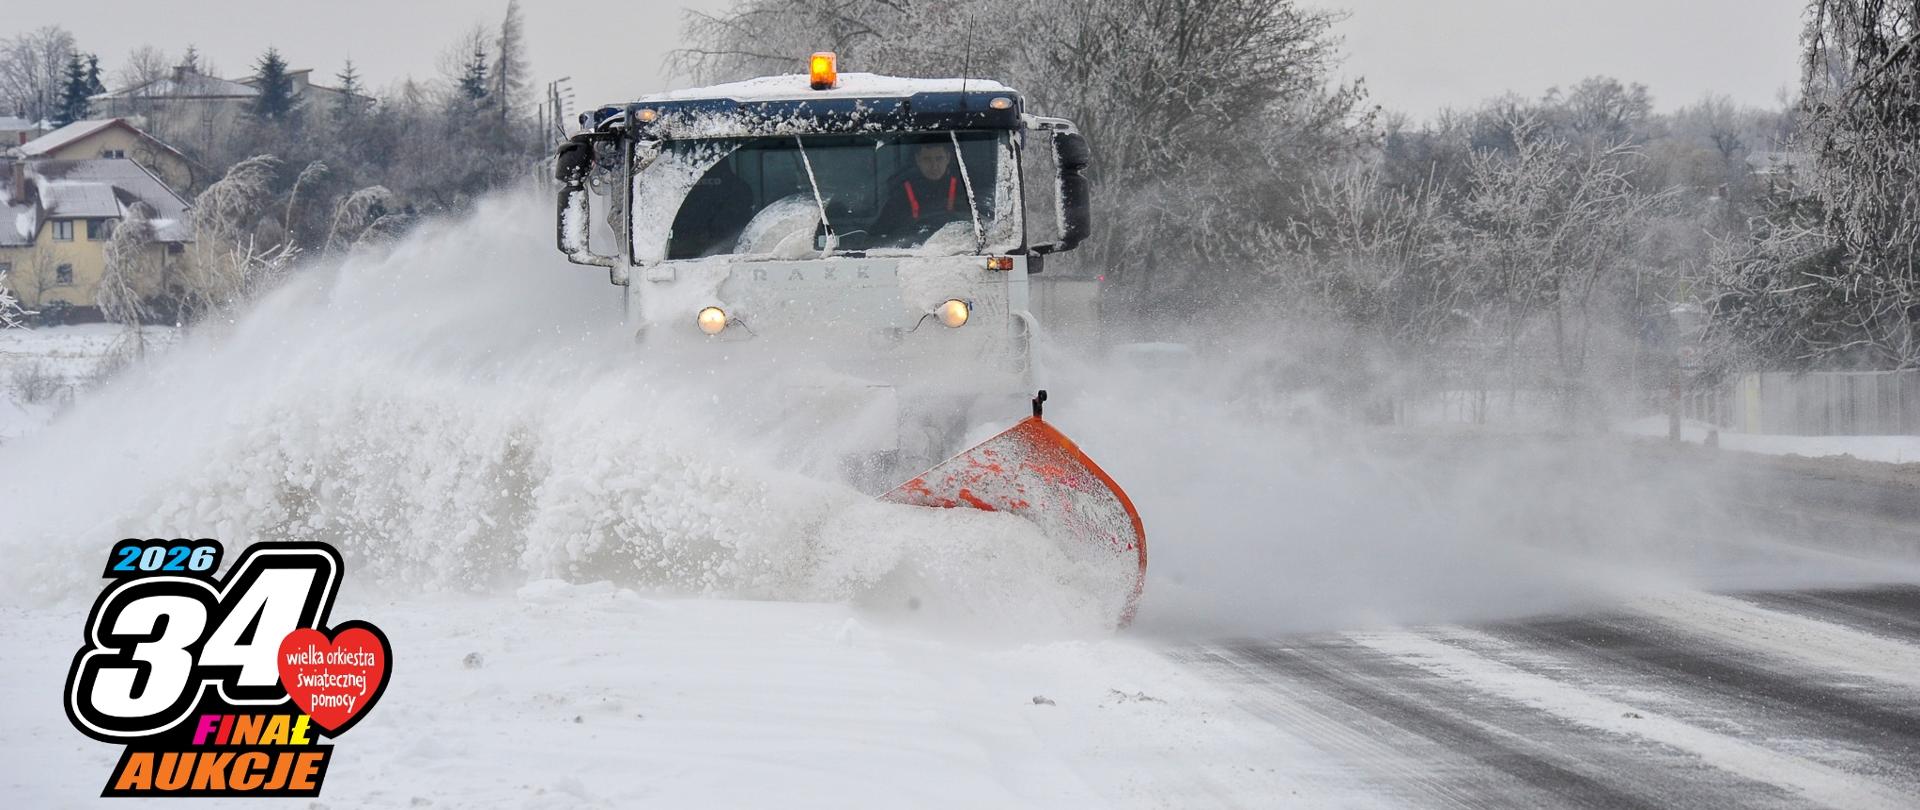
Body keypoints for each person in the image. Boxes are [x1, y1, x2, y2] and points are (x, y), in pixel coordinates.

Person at [874, 142, 969, 242]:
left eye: (939, 158)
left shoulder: (966, 187)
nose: (934, 166)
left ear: (948, 158)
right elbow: (880, 233)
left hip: (960, 253)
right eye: (927, 159)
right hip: (911, 253)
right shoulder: (901, 193)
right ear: (918, 160)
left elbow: (982, 225)